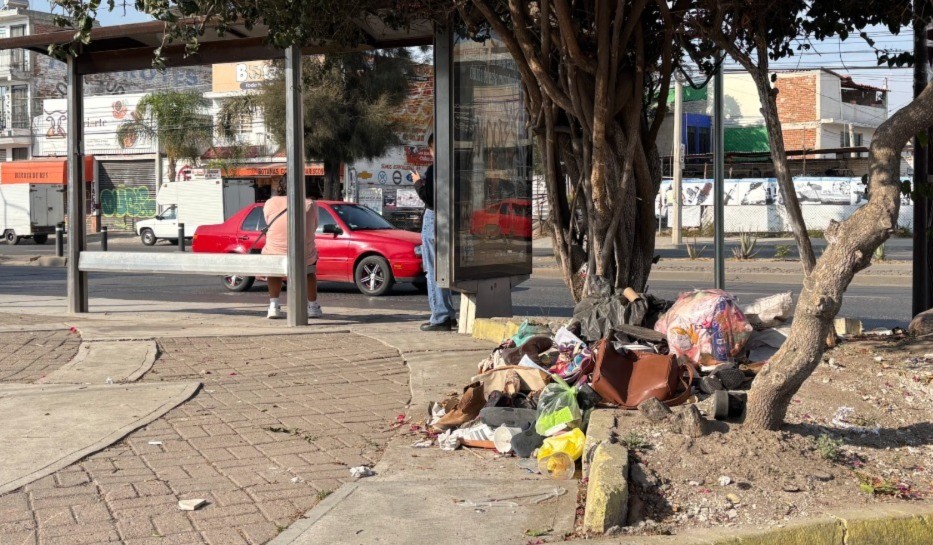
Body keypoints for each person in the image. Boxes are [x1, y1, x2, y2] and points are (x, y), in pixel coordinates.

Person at [262, 177, 323, 320]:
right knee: (309, 272)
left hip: (274, 252)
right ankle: (313, 306)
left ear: (281, 186)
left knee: (273, 270)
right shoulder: (311, 204)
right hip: (304, 255)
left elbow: (268, 221)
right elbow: (314, 226)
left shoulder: (270, 202)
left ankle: (274, 306)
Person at [412, 134, 456, 331]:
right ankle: (447, 313)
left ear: (432, 149)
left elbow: (429, 198)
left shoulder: (434, 169)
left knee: (432, 269)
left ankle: (439, 316)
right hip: (449, 218)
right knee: (443, 268)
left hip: (433, 218)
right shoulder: (454, 168)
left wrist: (417, 183)